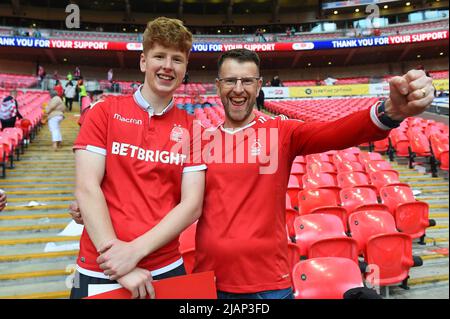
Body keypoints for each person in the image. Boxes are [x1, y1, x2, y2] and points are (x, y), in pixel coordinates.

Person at [70, 49, 435, 299]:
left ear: (258, 86)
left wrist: (389, 111)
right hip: (208, 281)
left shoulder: (282, 132)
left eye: (247, 81)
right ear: (218, 87)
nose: (238, 89)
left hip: (270, 283)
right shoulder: (198, 140)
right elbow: (158, 192)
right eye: (230, 81)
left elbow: (339, 132)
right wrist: (90, 205)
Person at [69, 16, 206, 299]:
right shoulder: (103, 112)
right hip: (101, 267)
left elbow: (192, 205)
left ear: (185, 69)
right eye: (159, 56)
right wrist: (119, 264)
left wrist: (133, 252)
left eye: (177, 59)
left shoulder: (194, 129)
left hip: (166, 266)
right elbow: (87, 188)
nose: (168, 66)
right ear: (144, 62)